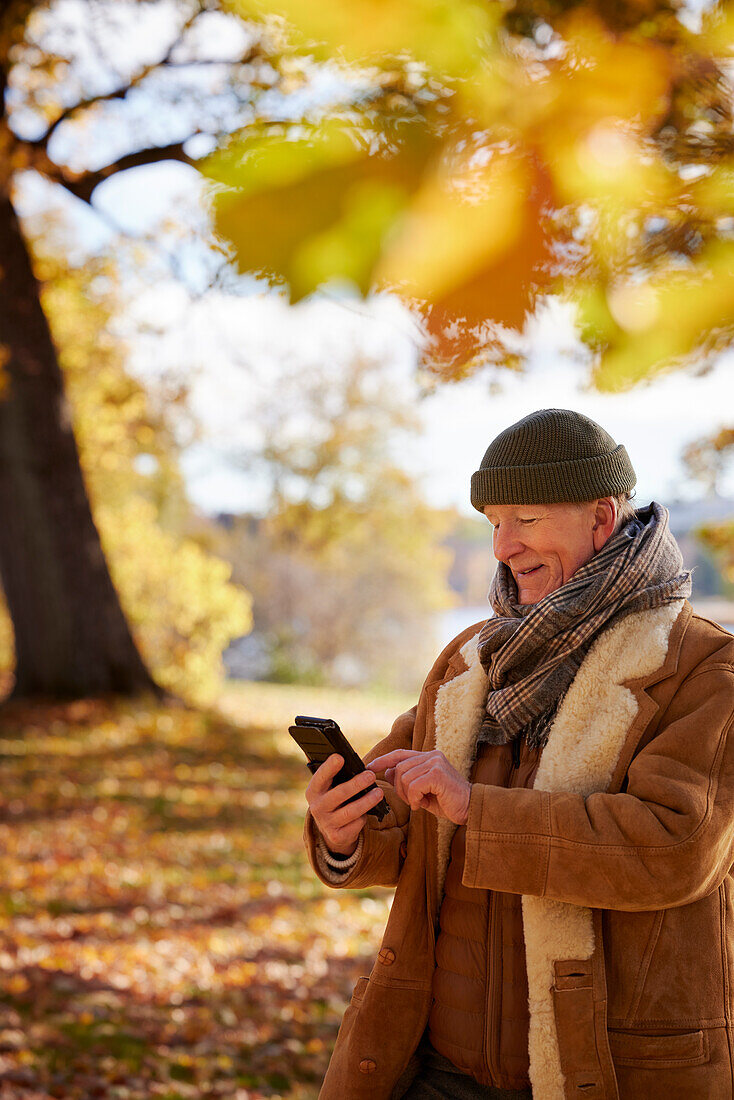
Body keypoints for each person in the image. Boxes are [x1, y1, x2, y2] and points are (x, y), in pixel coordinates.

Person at [303, 408, 734, 1100]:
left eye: (526, 520)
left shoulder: (704, 670)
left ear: (600, 518)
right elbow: (407, 824)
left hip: (608, 1072)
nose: (504, 546)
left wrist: (480, 808)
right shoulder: (472, 659)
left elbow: (674, 847)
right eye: (493, 522)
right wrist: (344, 829)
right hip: (438, 1069)